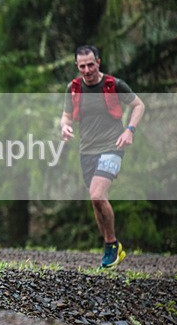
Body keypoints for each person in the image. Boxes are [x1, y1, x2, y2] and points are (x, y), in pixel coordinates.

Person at [60, 45, 145, 269]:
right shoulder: (74, 88)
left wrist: (130, 130)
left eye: (90, 64)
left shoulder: (113, 85)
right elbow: (66, 115)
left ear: (98, 62)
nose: (87, 70)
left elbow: (138, 106)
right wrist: (65, 127)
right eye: (82, 66)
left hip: (112, 146)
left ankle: (111, 244)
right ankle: (110, 246)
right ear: (77, 66)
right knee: (96, 200)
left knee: (97, 195)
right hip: (86, 150)